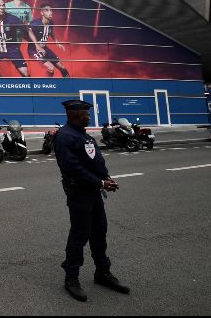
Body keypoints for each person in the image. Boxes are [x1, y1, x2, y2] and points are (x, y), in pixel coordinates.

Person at [54, 99, 130, 302]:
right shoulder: (64, 136)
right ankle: (71, 278)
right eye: (85, 114)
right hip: (79, 192)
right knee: (79, 234)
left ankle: (102, 272)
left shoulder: (83, 134)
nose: (89, 117)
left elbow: (95, 160)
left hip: (94, 190)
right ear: (74, 115)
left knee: (99, 231)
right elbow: (71, 168)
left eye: (88, 113)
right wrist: (100, 183)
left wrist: (105, 177)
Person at [27, 3, 70, 77]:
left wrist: (57, 42)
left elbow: (51, 32)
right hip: (33, 49)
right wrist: (37, 45)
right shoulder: (36, 23)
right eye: (46, 10)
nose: (50, 12)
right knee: (51, 68)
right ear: (41, 13)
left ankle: (68, 85)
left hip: (44, 48)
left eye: (51, 10)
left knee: (62, 67)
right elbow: (28, 31)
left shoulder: (51, 23)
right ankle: (46, 85)